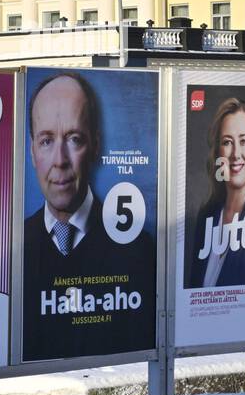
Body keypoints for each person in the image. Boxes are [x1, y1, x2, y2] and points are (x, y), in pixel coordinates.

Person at [23, 72, 154, 358]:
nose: (60, 160)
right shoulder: (10, 251)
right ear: (32, 151)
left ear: (95, 145)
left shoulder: (139, 251)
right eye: (46, 141)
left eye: (74, 139)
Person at [185, 96, 245, 289]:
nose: (236, 154)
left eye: (244, 141)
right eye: (227, 142)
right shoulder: (207, 217)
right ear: (217, 153)